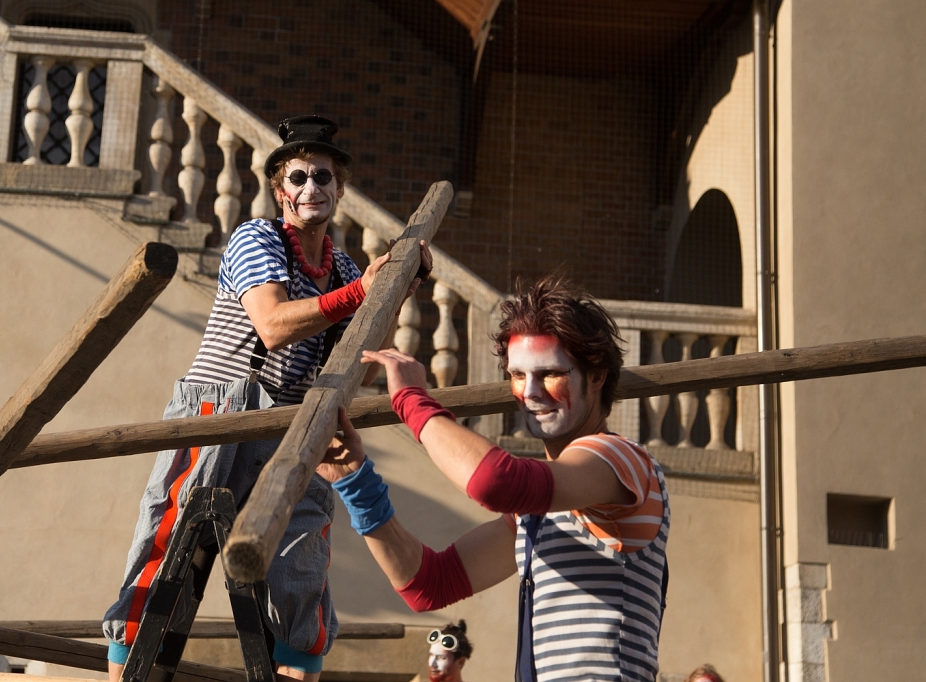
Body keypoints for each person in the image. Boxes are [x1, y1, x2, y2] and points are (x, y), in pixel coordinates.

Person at [103, 115, 432, 682]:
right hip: (222, 409)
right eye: (299, 177)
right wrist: (363, 291)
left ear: (340, 189)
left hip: (295, 422)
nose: (312, 188)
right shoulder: (256, 238)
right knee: (166, 551)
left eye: (323, 177)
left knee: (300, 568)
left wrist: (398, 291)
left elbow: (357, 364)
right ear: (282, 191)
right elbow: (274, 325)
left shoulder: (342, 267)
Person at [317, 274, 670, 682]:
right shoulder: (536, 514)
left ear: (597, 375)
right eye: (518, 375)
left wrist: (412, 400)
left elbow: (495, 483)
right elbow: (428, 585)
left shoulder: (621, 459)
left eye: (549, 373)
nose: (530, 392)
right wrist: (356, 483)